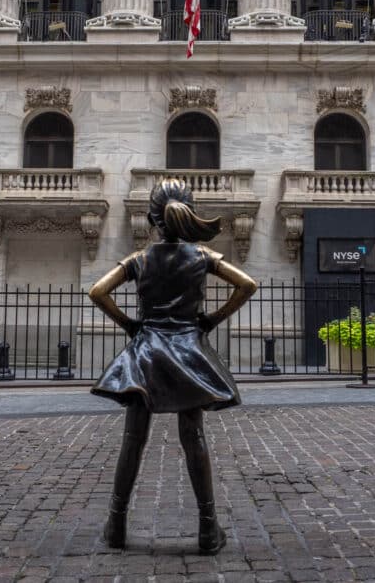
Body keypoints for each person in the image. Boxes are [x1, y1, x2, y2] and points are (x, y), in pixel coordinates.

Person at [88, 178, 257, 554]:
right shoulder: (201, 256)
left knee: (133, 440)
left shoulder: (140, 259)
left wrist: (130, 325)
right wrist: (212, 319)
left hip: (146, 351)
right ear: (188, 212)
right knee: (193, 438)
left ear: (152, 218)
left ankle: (116, 526)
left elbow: (98, 291)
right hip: (187, 352)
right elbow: (247, 284)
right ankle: (208, 529)